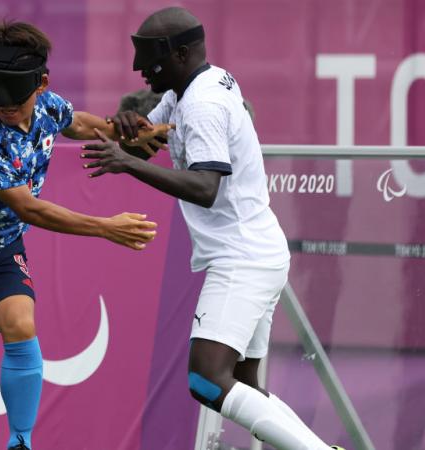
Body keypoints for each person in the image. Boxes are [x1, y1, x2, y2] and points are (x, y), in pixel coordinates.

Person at [81, 7, 344, 450]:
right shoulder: (193, 87)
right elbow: (146, 142)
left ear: (181, 53)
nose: (138, 69)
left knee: (207, 380)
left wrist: (124, 162)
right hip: (261, 252)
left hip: (241, 260)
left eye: (148, 58)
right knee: (244, 386)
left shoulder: (201, 104)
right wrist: (125, 131)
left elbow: (205, 187)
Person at [0, 20, 168, 450]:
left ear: (42, 83)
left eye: (15, 96)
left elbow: (77, 123)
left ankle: (21, 443)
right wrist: (106, 227)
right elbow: (29, 208)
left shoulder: (48, 105)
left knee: (21, 323)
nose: (4, 106)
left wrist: (117, 129)